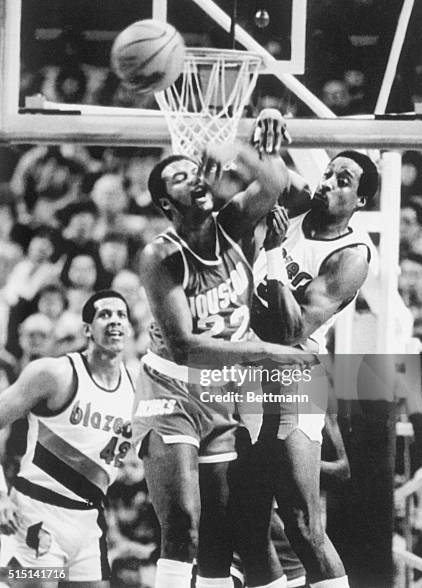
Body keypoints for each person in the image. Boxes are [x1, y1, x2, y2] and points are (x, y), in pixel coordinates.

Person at [132, 138, 307, 588]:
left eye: (195, 170)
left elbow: (274, 179)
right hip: (172, 389)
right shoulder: (160, 256)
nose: (193, 177)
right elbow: (184, 346)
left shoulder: (231, 223)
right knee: (183, 525)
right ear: (166, 203)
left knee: (220, 533)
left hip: (224, 390)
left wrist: (235, 140)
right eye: (179, 177)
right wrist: (267, 352)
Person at [249, 142, 379, 588]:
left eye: (343, 181)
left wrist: (273, 254)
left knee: (303, 527)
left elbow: (291, 331)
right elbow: (266, 170)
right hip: (242, 366)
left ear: (360, 201)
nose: (329, 184)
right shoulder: (299, 202)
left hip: (295, 372)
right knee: (245, 526)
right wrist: (267, 128)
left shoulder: (352, 256)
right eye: (329, 173)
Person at [0, 289, 135, 587]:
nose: (114, 321)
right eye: (104, 314)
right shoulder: (55, 373)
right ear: (86, 329)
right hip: (37, 511)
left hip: (88, 519)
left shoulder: (138, 388)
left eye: (121, 315)